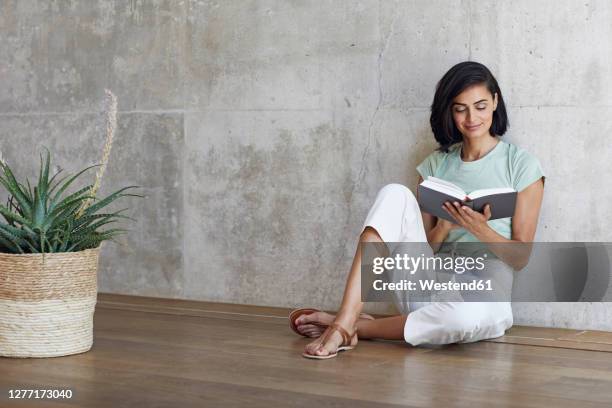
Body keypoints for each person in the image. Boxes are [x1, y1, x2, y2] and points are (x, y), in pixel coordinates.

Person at [292, 61, 546, 359]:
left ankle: (348, 327)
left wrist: (480, 229)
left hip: (485, 289)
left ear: (495, 102)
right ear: (450, 111)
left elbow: (521, 258)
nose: (471, 117)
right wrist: (445, 227)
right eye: (460, 108)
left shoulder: (522, 165)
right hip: (427, 281)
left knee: (461, 319)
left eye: (480, 106)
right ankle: (347, 319)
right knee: (394, 194)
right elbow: (423, 248)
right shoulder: (435, 165)